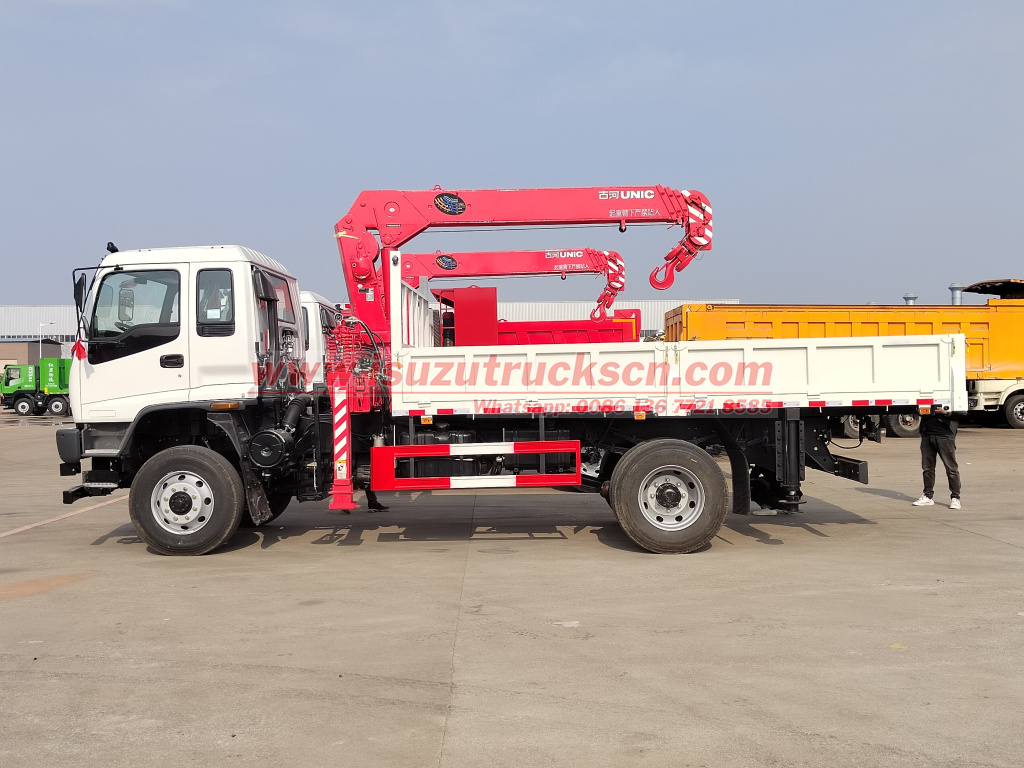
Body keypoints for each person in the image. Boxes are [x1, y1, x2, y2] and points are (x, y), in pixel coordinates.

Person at [912, 405, 961, 509]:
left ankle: (955, 498)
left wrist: (946, 412)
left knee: (951, 468)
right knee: (927, 468)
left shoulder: (950, 394)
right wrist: (918, 410)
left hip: (945, 435)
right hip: (927, 434)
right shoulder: (927, 395)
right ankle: (927, 496)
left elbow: (963, 412)